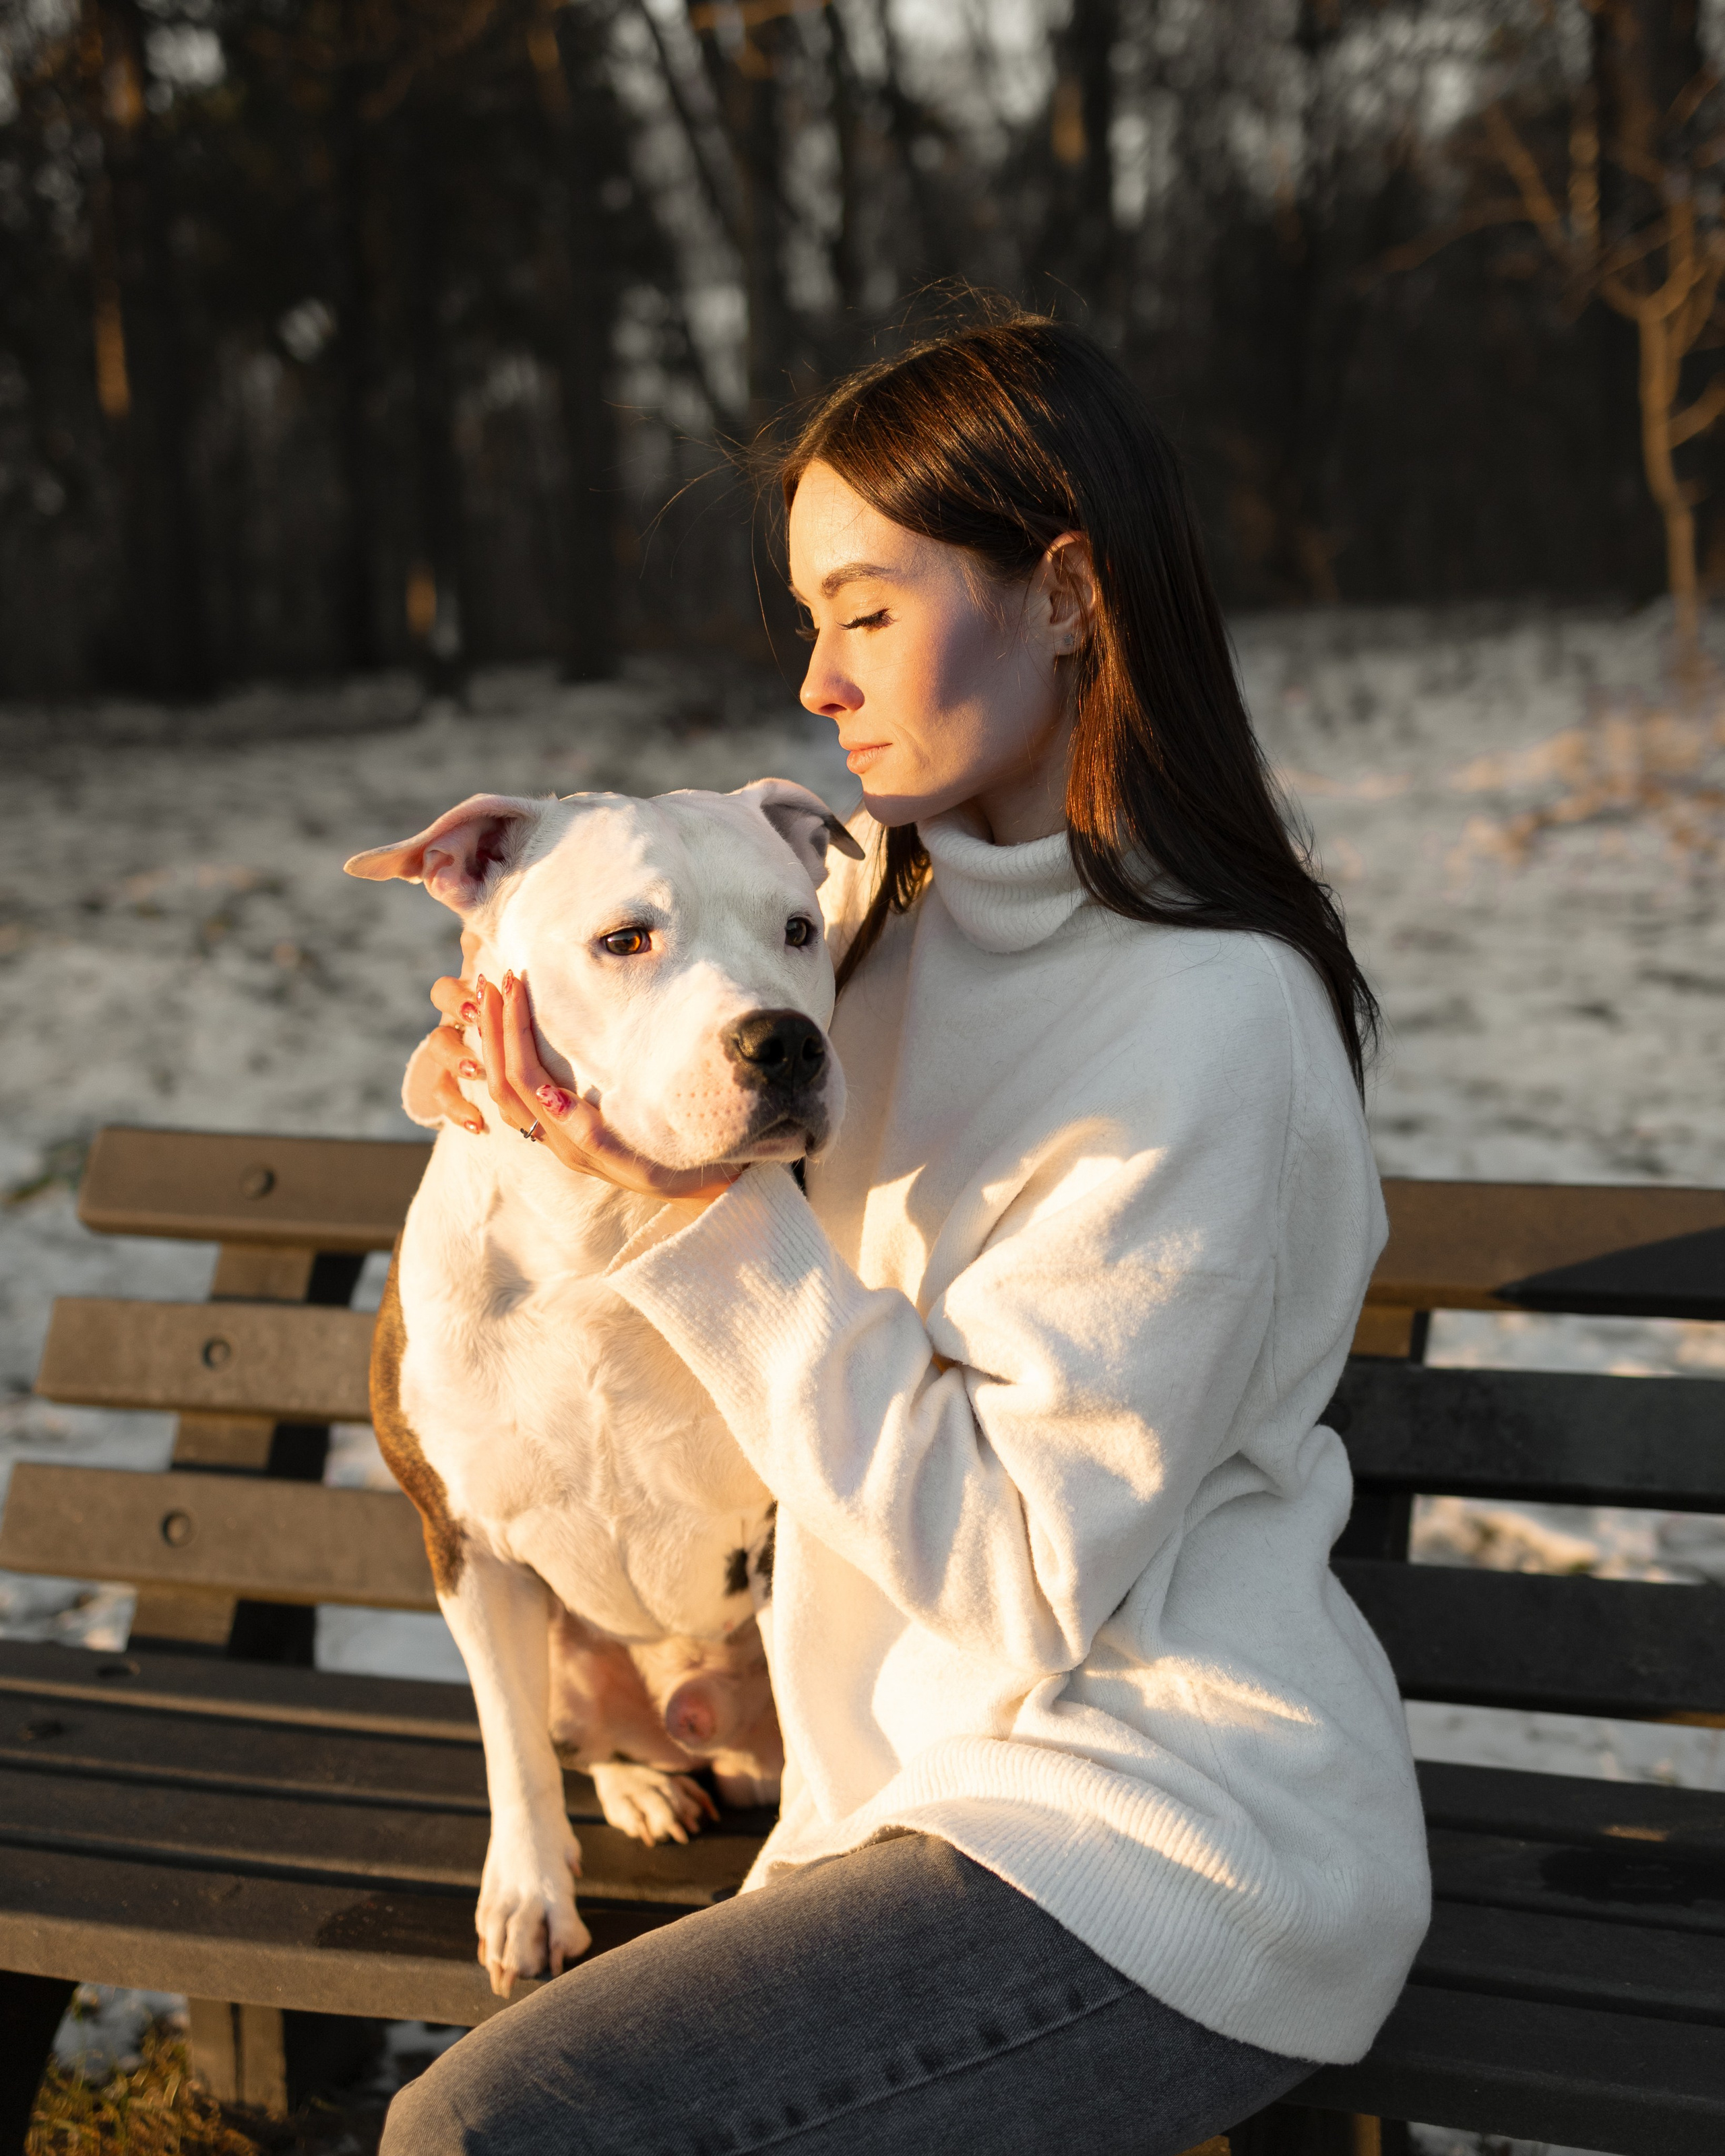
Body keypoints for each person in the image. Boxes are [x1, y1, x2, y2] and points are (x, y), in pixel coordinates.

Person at [380, 313, 1430, 2156]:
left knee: (500, 2127)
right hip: (889, 1795)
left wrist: (702, 1207)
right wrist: (504, 1078)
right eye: (808, 619)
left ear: (1068, 598)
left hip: (1168, 1837)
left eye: (866, 612)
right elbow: (623, 1003)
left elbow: (1016, 1580)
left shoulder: (1212, 1022)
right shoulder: (859, 935)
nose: (818, 679)